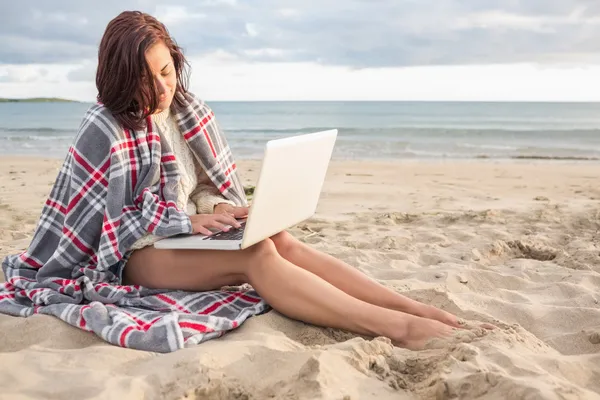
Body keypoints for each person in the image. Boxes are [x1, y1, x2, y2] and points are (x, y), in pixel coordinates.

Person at [0, 11, 490, 352]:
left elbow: (209, 185)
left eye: (167, 71)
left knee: (275, 238)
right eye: (146, 80)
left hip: (178, 234)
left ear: (176, 59)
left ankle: (411, 306)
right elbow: (113, 225)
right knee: (255, 256)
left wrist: (216, 211)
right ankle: (399, 328)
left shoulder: (190, 111)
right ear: (120, 78)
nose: (162, 88)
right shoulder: (104, 125)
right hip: (128, 256)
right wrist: (189, 219)